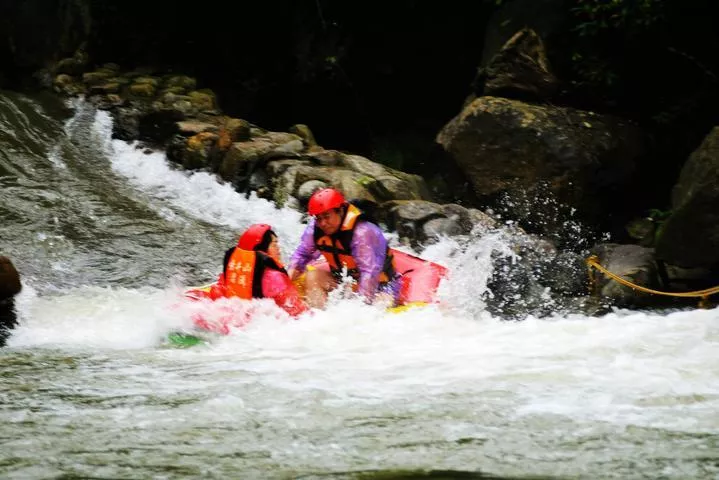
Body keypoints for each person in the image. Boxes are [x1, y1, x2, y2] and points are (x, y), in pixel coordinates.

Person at [287, 188, 400, 308]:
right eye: (319, 218)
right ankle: (319, 316)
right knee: (313, 276)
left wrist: (360, 308)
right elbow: (302, 255)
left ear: (340, 211)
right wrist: (286, 281)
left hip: (381, 286)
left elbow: (369, 273)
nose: (323, 223)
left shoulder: (362, 232)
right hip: (344, 282)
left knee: (380, 305)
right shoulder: (315, 229)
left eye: (326, 216)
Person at [215, 224, 308, 317]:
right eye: (274, 244)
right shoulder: (275, 277)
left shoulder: (232, 271)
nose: (278, 248)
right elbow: (297, 310)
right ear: (262, 249)